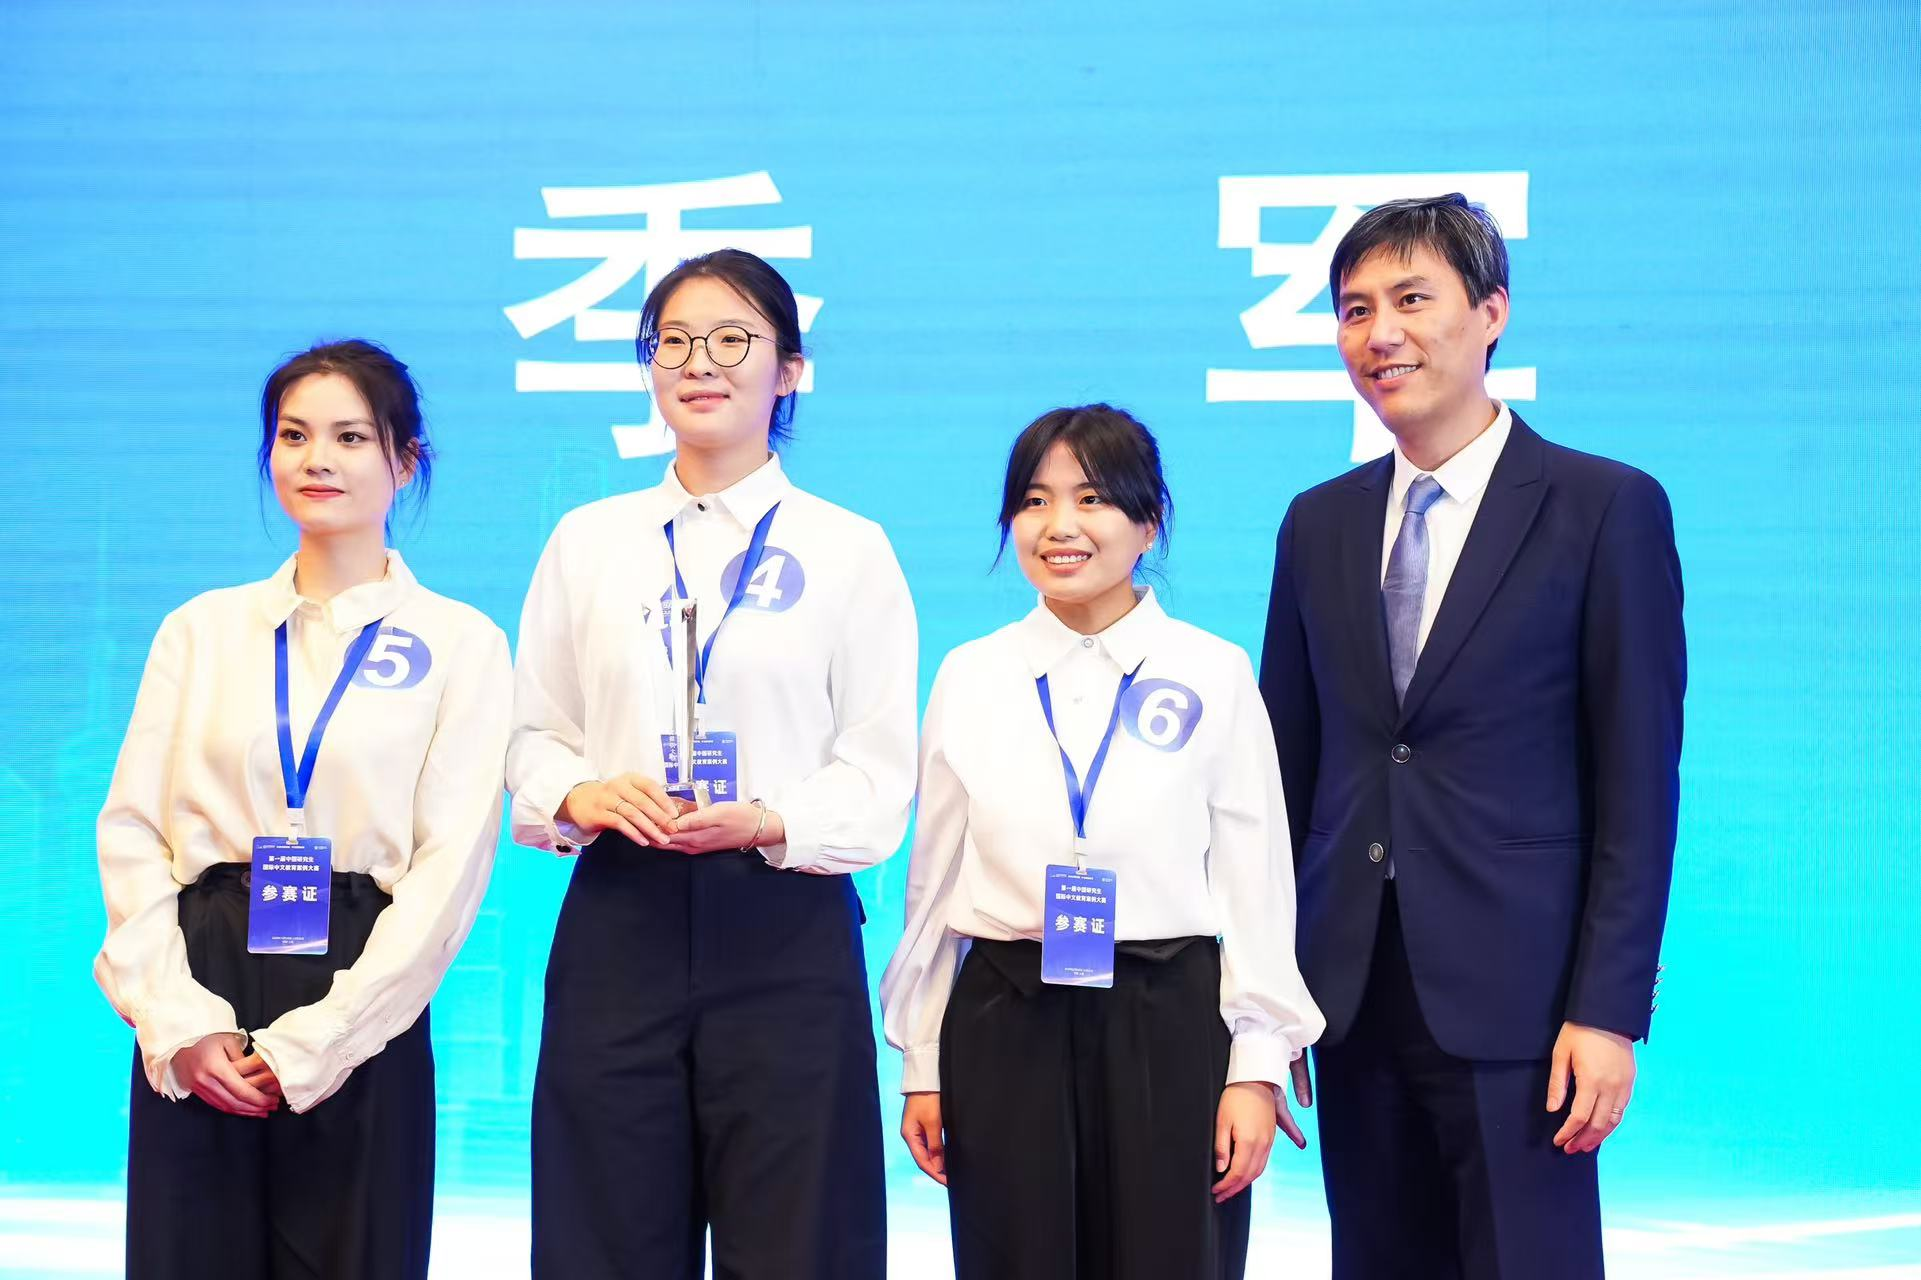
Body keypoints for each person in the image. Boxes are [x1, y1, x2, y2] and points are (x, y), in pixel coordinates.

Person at [1259, 193, 1686, 1278]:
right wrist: (1269, 999)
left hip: (1526, 1009)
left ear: (1491, 312)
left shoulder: (1602, 507)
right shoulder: (1316, 522)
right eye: (1355, 310)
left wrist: (1607, 1010)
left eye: (1411, 299)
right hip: (1350, 994)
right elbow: (1281, 780)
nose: (1380, 334)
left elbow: (1638, 785)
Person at [508, 248, 916, 1280]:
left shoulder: (848, 547)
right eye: (675, 341)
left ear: (789, 369)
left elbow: (878, 768)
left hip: (782, 922)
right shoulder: (588, 540)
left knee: (798, 1241)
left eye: (733, 339)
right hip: (621, 915)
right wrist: (581, 792)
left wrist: (772, 819)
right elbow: (533, 735)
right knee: (602, 1237)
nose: (700, 362)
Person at [94, 339, 512, 1280]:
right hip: (203, 974)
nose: (317, 459)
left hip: (363, 988)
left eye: (350, 437)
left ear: (405, 461)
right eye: (293, 436)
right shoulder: (201, 629)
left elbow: (449, 872)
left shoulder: (461, 642)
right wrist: (177, 1022)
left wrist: (321, 1042)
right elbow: (131, 833)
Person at [882, 404, 1323, 1280]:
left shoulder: (1212, 671)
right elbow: (931, 886)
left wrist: (1256, 1065)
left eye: (1091, 499)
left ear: (1148, 522)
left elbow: (1256, 883)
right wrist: (922, 1062)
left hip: (1169, 1017)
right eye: (1034, 501)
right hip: (1005, 1016)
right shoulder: (972, 674)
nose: (1059, 526)